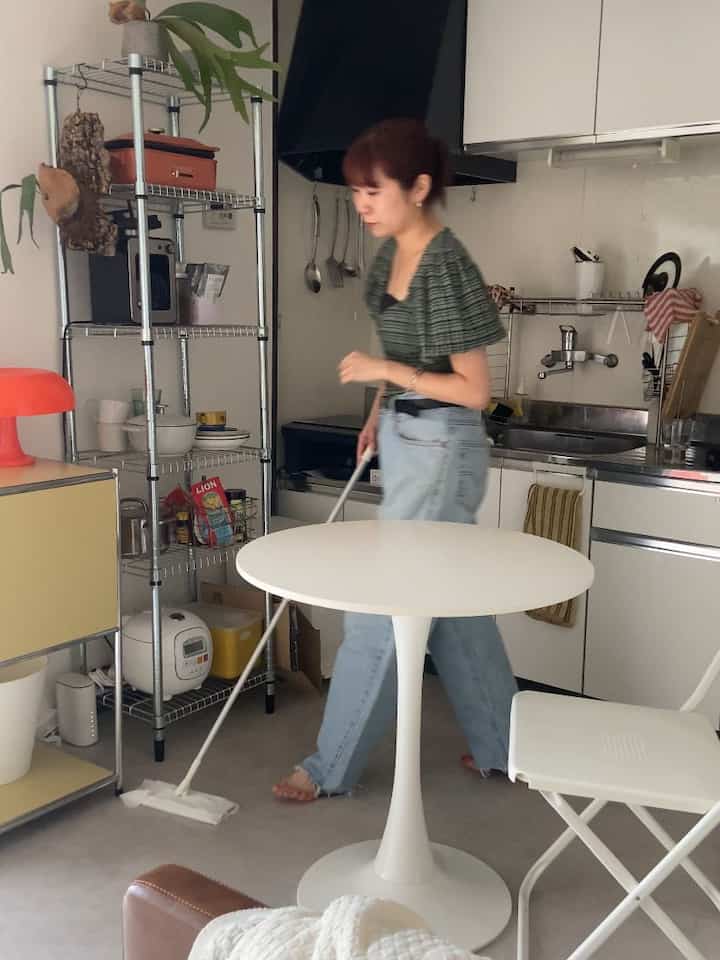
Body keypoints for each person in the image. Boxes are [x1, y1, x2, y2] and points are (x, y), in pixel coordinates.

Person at [273, 118, 517, 802]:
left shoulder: (448, 266)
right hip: (409, 437)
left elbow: (475, 391)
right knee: (455, 610)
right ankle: (507, 748)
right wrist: (379, 410)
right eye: (356, 191)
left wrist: (386, 373)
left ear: (418, 187)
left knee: (382, 610)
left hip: (444, 445)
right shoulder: (387, 259)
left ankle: (330, 767)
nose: (362, 204)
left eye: (372, 190)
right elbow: (405, 355)